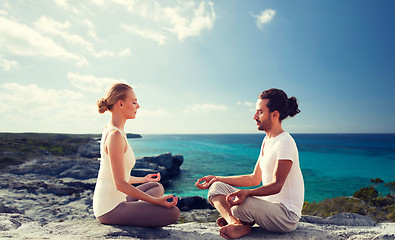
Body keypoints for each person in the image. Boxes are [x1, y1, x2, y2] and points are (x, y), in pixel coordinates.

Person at [196, 88, 304, 239]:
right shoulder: (267, 140)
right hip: (266, 207)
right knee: (216, 188)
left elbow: (277, 184)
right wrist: (217, 178)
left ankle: (241, 220)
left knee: (241, 205)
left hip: (286, 216)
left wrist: (248, 193)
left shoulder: (285, 141)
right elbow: (254, 178)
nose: (254, 116)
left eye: (260, 112)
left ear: (274, 114)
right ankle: (237, 224)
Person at [93, 83, 180, 227]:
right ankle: (138, 211)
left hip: (120, 198)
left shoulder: (115, 130)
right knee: (173, 213)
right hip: (109, 208)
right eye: (134, 102)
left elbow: (118, 176)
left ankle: (138, 210)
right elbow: (120, 183)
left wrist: (143, 179)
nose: (138, 106)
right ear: (120, 104)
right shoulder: (114, 135)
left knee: (156, 186)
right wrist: (156, 202)